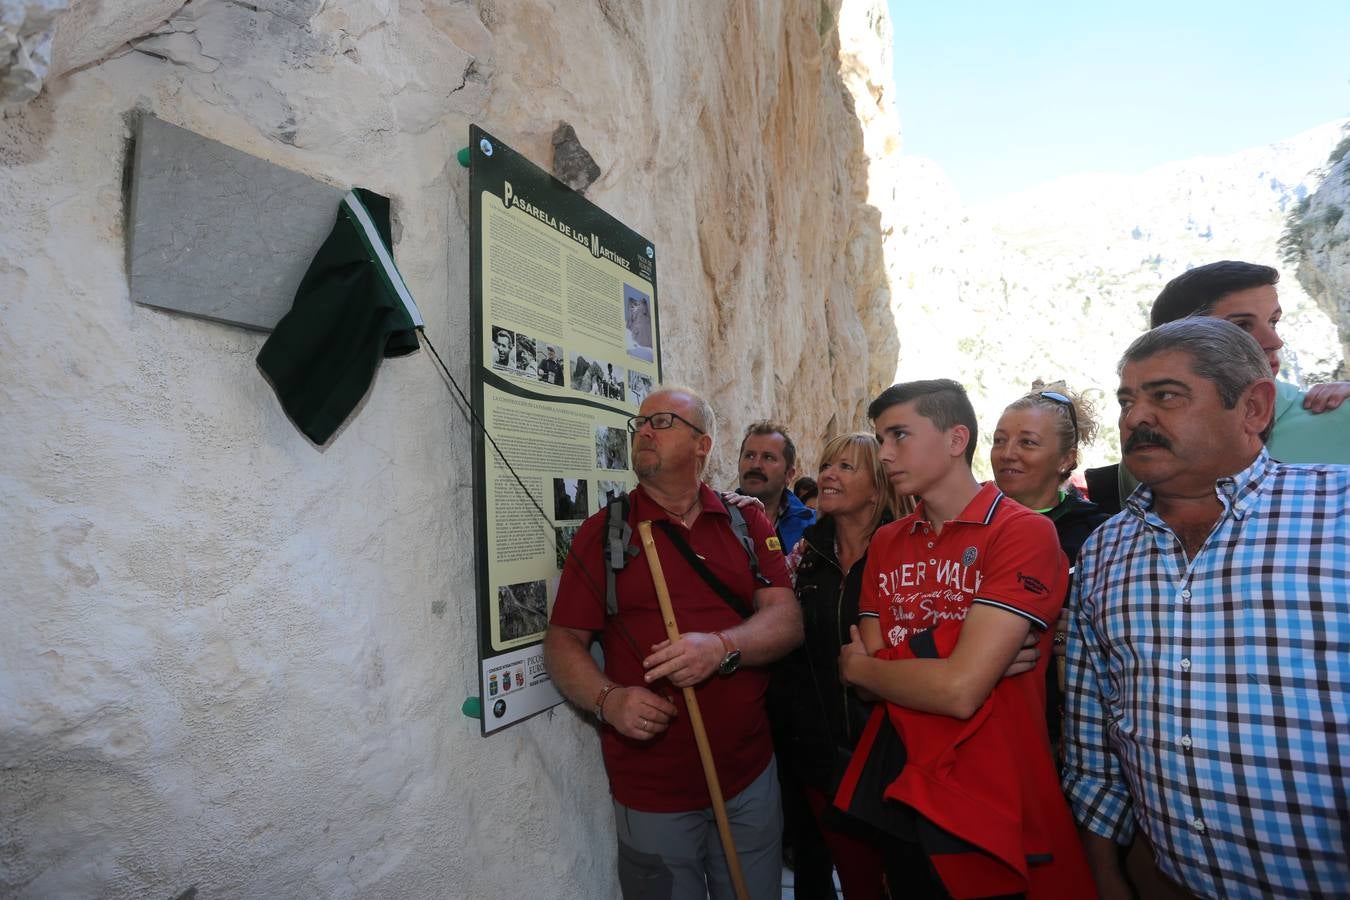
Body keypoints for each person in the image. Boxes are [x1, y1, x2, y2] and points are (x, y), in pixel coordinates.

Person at [1062, 318, 1350, 899]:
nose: (1136, 417)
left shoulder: (1338, 512)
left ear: (1253, 407)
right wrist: (1107, 875)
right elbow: (1091, 736)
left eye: (1165, 395)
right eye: (1127, 400)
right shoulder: (1104, 550)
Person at [835, 379, 1095, 899]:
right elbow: (924, 683)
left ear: (956, 440)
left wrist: (864, 667)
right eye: (881, 438)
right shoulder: (886, 541)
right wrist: (956, 655)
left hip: (991, 792)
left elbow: (957, 690)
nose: (883, 454)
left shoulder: (1022, 532)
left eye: (899, 435)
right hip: (901, 785)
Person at [544, 385, 803, 900]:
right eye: (639, 423)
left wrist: (719, 646)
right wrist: (607, 699)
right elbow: (562, 643)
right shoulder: (604, 532)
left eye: (661, 421)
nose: (643, 430)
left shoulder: (744, 521)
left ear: (701, 445)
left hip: (747, 775)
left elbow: (787, 620)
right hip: (652, 789)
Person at [1087, 260, 1350, 511]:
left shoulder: (1339, 416)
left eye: (1273, 321)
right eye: (1241, 326)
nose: (1274, 341)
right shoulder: (1148, 448)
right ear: (1171, 342)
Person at [770, 434, 899, 899]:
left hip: (888, 756)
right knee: (821, 874)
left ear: (878, 487)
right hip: (815, 753)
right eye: (827, 464)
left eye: (847, 467)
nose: (828, 474)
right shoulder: (804, 556)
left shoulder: (903, 555)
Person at [990, 382, 1110, 750]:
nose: (1007, 454)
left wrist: (1076, 636)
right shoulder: (967, 523)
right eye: (999, 440)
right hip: (984, 720)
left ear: (1066, 459)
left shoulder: (1099, 534)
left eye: (1027, 442)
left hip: (1075, 730)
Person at [736, 421, 816, 552]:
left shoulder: (813, 527)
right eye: (749, 455)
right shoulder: (718, 520)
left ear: (789, 475)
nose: (755, 465)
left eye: (768, 457)